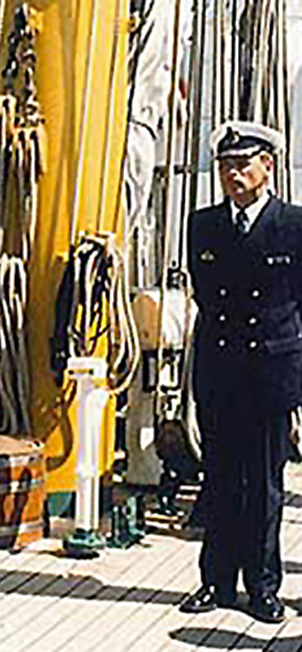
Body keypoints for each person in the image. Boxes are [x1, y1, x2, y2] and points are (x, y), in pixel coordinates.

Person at [179, 121, 302, 624]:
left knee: (265, 484)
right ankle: (216, 582)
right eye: (226, 166)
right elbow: (206, 296)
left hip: (270, 371)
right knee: (221, 479)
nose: (233, 174)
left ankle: (264, 585)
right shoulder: (203, 224)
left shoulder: (293, 224)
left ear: (267, 167)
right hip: (220, 369)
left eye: (243, 164)